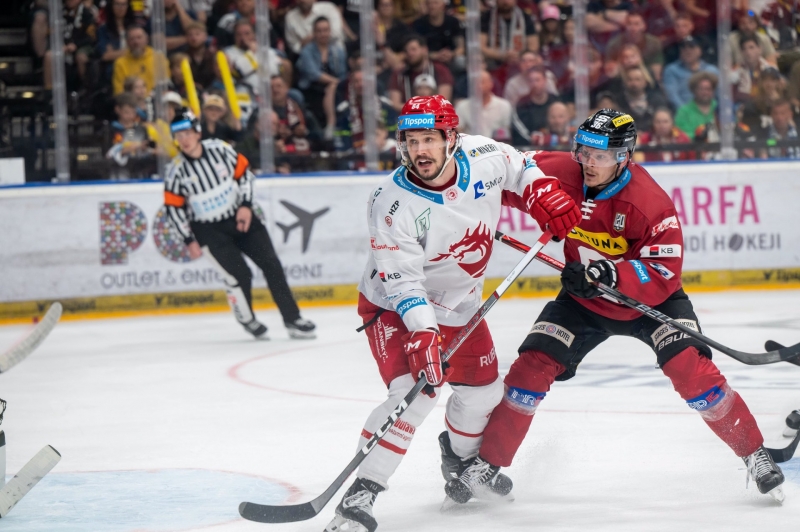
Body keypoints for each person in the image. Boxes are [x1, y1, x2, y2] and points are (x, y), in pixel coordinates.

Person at [442, 108, 786, 505]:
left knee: (690, 370)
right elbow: (502, 173)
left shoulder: (649, 202)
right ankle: (488, 464)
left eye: (600, 155)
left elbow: (663, 271)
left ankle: (755, 454)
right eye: (584, 151)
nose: (588, 162)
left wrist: (609, 275)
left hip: (648, 302)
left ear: (624, 157)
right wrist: (462, 201)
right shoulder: (561, 172)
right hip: (582, 302)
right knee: (530, 368)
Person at [323, 94, 581, 532]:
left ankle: (461, 465)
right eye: (411, 140)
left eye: (429, 139)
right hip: (395, 307)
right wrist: (423, 333)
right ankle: (361, 493)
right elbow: (402, 281)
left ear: (451, 139)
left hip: (460, 304)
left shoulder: (483, 154)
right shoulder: (389, 202)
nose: (420, 150)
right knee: (416, 394)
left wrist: (542, 194)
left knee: (482, 394)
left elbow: (520, 167)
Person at [163, 108, 316, 339]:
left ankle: (293, 319)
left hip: (241, 217)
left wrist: (245, 205)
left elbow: (245, 175)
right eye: (179, 135)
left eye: (187, 133)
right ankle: (247, 319)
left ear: (197, 132)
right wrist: (188, 240)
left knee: (271, 264)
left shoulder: (221, 150)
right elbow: (174, 210)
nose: (184, 139)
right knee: (239, 275)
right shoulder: (176, 172)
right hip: (209, 231)